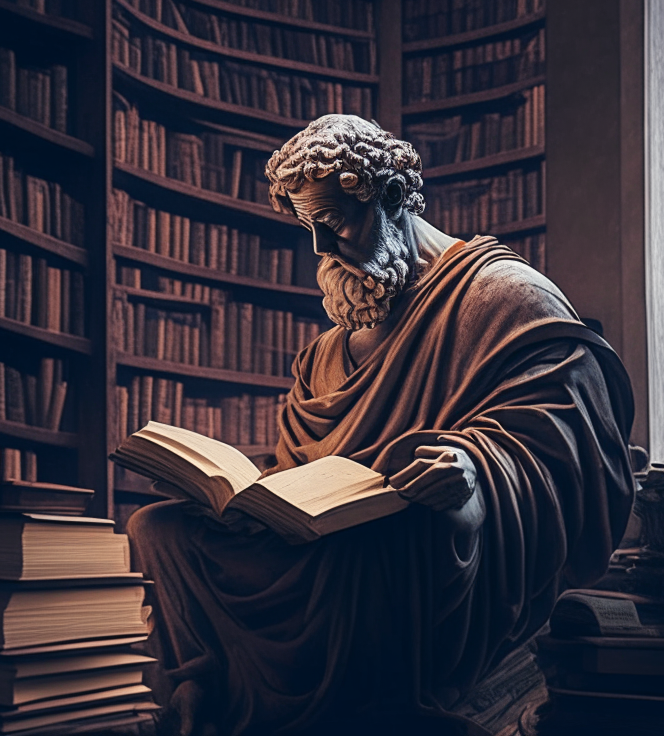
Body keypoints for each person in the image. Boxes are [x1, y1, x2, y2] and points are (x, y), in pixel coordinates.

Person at [128, 114, 635, 736]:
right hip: (323, 546)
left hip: (429, 550)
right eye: (306, 227)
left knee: (387, 536)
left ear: (392, 197)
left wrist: (475, 474)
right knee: (159, 529)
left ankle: (363, 708)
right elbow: (298, 480)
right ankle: (208, 686)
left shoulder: (501, 296)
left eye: (333, 222)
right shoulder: (326, 350)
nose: (319, 248)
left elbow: (570, 442)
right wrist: (233, 504)